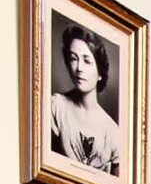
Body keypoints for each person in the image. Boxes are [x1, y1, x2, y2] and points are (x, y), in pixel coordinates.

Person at [50, 24, 120, 176]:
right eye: (74, 59)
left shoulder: (113, 132)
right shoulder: (56, 106)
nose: (79, 68)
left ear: (100, 73)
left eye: (87, 61)